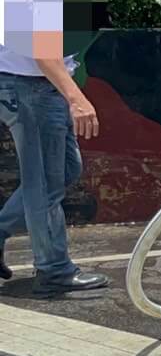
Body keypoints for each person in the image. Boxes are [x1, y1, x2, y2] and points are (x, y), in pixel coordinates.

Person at [0, 42, 107, 294]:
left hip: (42, 84)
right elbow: (42, 50)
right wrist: (76, 98)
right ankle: (54, 270)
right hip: (31, 85)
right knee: (45, 185)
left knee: (67, 170)